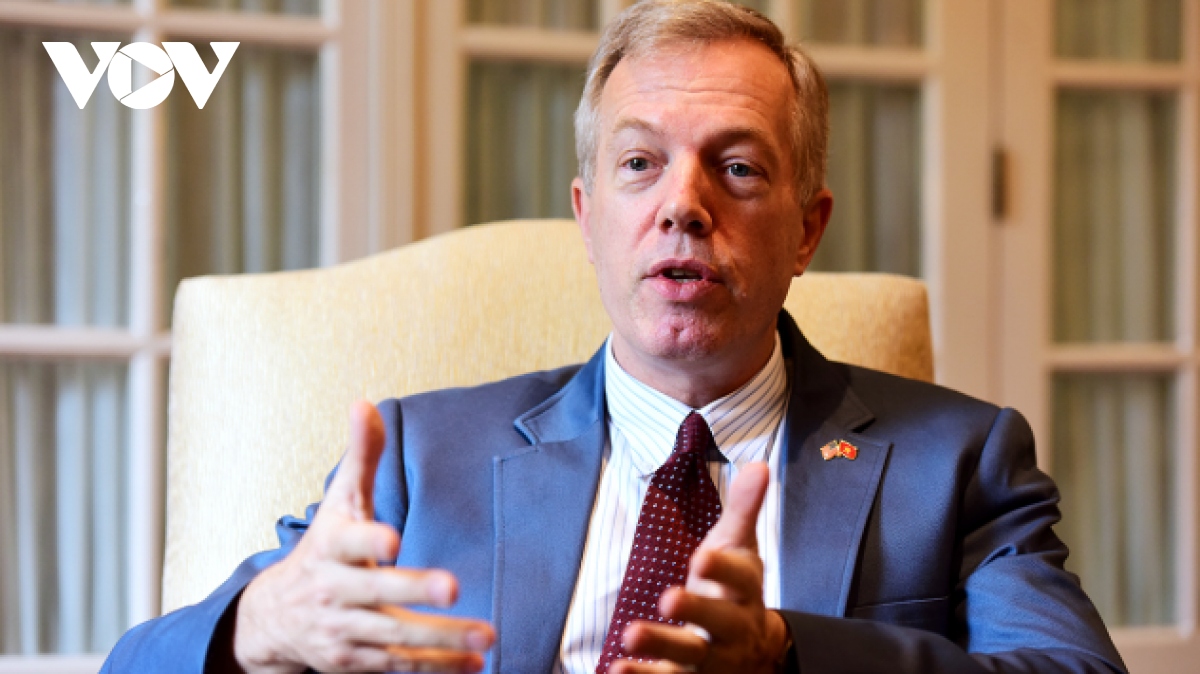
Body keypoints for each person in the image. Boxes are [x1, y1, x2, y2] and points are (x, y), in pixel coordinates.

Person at [102, 2, 1126, 673]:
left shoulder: (960, 457)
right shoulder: (421, 457)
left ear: (807, 230)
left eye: (737, 168)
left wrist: (786, 652)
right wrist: (261, 627)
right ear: (588, 218)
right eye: (640, 164)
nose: (683, 205)